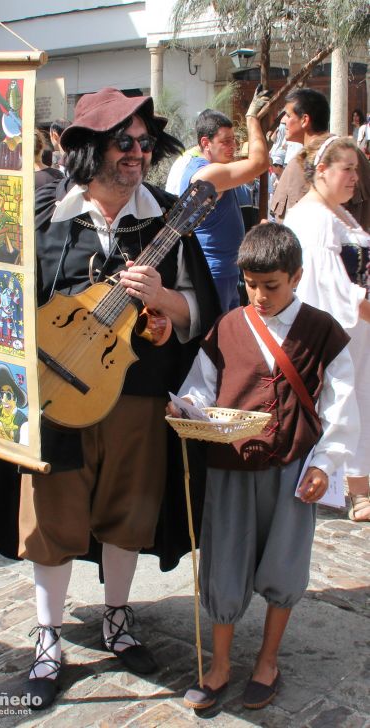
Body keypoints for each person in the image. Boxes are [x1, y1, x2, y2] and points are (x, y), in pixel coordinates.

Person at [0, 86, 221, 711]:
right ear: (90, 150)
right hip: (55, 394)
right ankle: (49, 637)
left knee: (128, 510)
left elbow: (200, 309)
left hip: (135, 395)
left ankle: (117, 617)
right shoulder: (44, 215)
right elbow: (1, 301)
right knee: (52, 516)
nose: (138, 153)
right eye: (124, 142)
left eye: (144, 143)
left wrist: (163, 305)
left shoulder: (167, 216)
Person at [168, 222, 358, 711]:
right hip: (231, 463)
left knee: (285, 565)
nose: (259, 295)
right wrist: (185, 408)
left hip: (292, 466)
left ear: (295, 276)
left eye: (271, 285)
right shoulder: (227, 328)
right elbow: (200, 387)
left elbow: (340, 404)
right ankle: (220, 663)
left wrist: (326, 462)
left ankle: (268, 660)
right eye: (251, 284)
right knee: (224, 560)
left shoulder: (323, 332)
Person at [284, 135, 370, 522]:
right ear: (322, 170)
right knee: (346, 400)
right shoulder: (316, 218)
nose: (355, 178)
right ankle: (357, 489)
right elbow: (335, 290)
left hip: (356, 327)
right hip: (341, 328)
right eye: (347, 169)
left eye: (357, 169)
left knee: (357, 399)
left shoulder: (335, 212)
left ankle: (355, 483)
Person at [179, 86, 270, 312]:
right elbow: (259, 164)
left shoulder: (216, 168)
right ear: (205, 143)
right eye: (225, 142)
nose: (233, 147)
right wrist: (251, 120)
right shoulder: (207, 175)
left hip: (226, 272)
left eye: (234, 140)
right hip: (213, 273)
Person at [270, 88, 370, 231]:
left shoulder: (304, 164)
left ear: (305, 120)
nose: (283, 121)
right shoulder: (354, 155)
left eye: (287, 114)